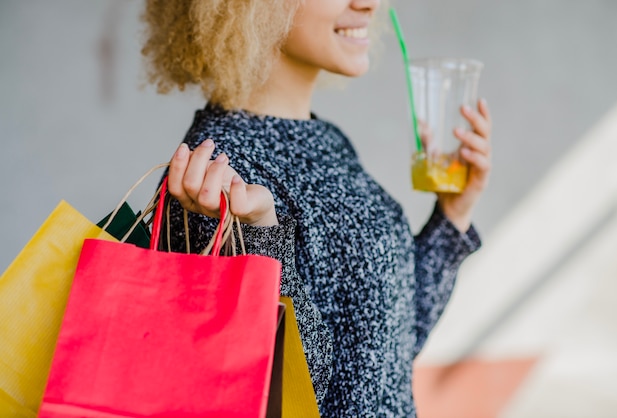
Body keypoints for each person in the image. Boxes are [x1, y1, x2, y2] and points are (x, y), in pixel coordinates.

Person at [141, 0, 492, 416]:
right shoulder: (218, 172)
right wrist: (262, 235)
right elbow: (290, 394)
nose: (369, 4)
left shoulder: (329, 140)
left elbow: (387, 353)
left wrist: (453, 215)